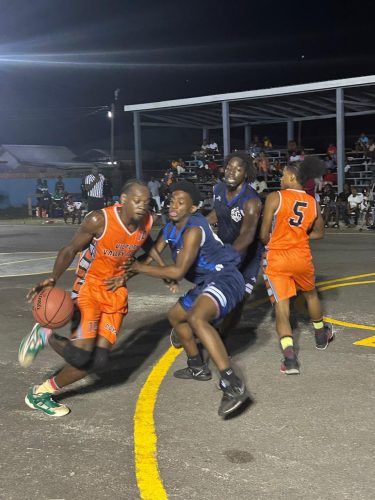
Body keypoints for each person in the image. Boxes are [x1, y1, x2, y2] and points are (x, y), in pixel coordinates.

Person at [18, 180, 157, 417]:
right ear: (122, 200)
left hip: (115, 294)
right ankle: (45, 338)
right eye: (137, 200)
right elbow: (70, 249)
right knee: (81, 357)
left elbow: (150, 252)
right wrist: (52, 279)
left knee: (99, 363)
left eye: (146, 201)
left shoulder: (146, 222)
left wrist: (129, 274)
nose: (142, 206)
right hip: (89, 288)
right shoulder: (99, 220)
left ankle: (42, 390)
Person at [128, 181, 250, 417]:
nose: (174, 204)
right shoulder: (170, 228)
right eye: (173, 199)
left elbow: (178, 272)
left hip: (225, 277)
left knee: (197, 318)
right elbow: (152, 256)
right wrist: (124, 274)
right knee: (176, 316)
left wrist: (147, 270)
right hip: (208, 282)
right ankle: (197, 366)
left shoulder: (194, 229)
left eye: (181, 202)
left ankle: (233, 384)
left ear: (193, 208)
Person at [260, 157, 334, 375]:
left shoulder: (275, 197)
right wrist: (299, 236)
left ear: (292, 177)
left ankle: (290, 360)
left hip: (278, 258)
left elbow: (264, 234)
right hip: (301, 256)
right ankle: (321, 335)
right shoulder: (312, 202)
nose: (281, 178)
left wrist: (274, 241)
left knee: (282, 308)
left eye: (283, 174)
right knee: (311, 295)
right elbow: (320, 232)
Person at [204, 153, 263, 336]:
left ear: (246, 174)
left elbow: (246, 236)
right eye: (229, 167)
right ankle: (198, 325)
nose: (231, 172)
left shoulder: (251, 201)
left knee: (239, 301)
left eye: (238, 169)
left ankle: (221, 338)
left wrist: (226, 256)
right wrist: (198, 228)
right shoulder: (219, 189)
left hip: (248, 257)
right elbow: (218, 213)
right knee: (210, 290)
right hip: (224, 249)